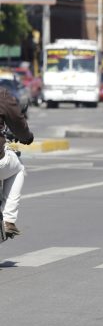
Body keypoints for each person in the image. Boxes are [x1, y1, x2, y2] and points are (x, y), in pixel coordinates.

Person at [0, 85, 34, 236]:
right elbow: (18, 124)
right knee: (18, 168)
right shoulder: (2, 95)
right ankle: (8, 219)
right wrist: (27, 137)